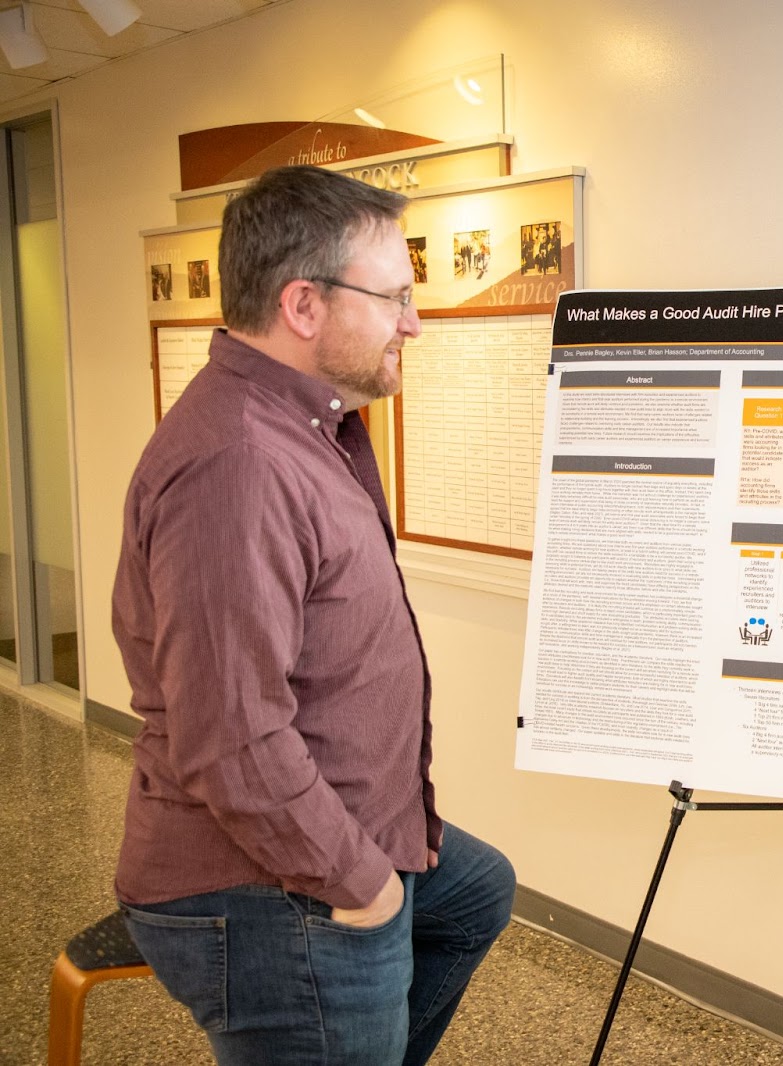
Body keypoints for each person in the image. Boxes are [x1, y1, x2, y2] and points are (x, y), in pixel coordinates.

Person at [112, 165, 516, 1066]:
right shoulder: (240, 464)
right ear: (303, 305)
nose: (414, 322)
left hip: (335, 835)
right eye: (395, 297)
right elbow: (232, 738)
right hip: (264, 883)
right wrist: (362, 884)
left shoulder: (306, 426)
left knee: (476, 893)